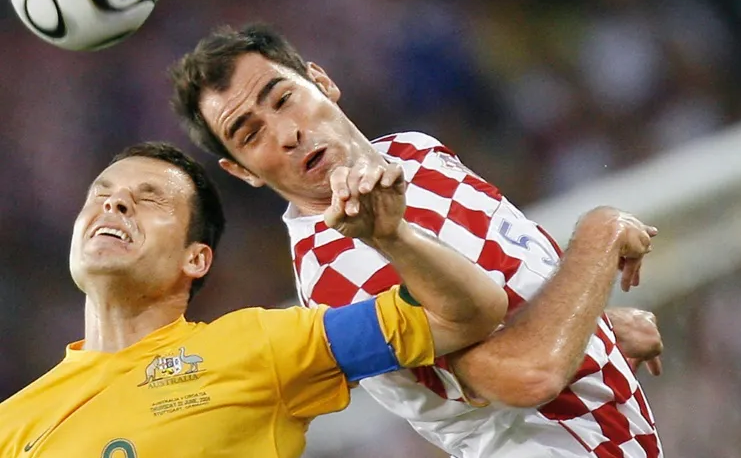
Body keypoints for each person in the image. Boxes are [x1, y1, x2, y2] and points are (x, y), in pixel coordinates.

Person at [171, 24, 665, 457]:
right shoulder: (337, 277)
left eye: (283, 99)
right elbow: (526, 374)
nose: (286, 133)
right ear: (244, 172)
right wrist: (600, 234)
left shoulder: (414, 152)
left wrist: (596, 327)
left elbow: (516, 297)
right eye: (250, 134)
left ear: (322, 81)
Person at [0, 141, 514, 458]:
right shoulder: (12, 421)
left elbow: (463, 314)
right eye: (101, 193)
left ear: (195, 259)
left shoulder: (258, 347)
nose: (113, 203)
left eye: (149, 198)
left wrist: (392, 237)